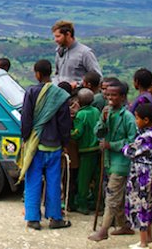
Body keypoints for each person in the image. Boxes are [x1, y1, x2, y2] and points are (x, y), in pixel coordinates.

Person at [18, 59, 73, 230]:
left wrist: (26, 138)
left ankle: (33, 219)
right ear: (50, 73)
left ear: (37, 74)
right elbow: (65, 123)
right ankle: (55, 218)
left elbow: (26, 118)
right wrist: (64, 143)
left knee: (33, 181)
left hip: (36, 145)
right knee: (54, 182)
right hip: (55, 146)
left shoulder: (31, 92)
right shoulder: (60, 95)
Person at [89, 80, 138, 242]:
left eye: (114, 95)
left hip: (121, 163)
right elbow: (98, 132)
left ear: (123, 97)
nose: (109, 98)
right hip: (109, 161)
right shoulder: (107, 113)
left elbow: (132, 142)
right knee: (119, 195)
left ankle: (103, 231)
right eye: (108, 94)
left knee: (111, 196)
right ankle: (124, 225)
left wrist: (112, 145)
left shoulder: (128, 118)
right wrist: (103, 120)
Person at [123, 103, 152, 248]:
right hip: (149, 173)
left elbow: (130, 151)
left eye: (137, 118)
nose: (136, 121)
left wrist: (124, 146)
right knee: (148, 206)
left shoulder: (145, 137)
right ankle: (148, 239)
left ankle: (143, 242)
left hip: (141, 175)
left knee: (141, 206)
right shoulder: (151, 133)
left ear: (146, 120)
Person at [71, 87, 101, 215]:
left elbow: (78, 133)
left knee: (83, 179)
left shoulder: (81, 115)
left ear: (79, 101)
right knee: (97, 177)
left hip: (86, 150)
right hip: (97, 148)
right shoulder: (95, 111)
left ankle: (82, 205)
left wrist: (68, 133)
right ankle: (96, 203)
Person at [51, 20, 101, 86]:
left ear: (68, 34)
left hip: (78, 93)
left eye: (58, 36)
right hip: (60, 93)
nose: (55, 40)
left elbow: (98, 77)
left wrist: (78, 84)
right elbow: (57, 74)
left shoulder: (85, 53)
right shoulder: (59, 51)